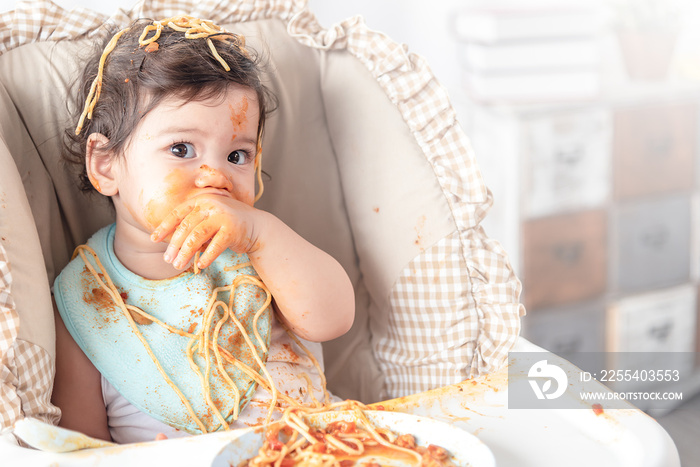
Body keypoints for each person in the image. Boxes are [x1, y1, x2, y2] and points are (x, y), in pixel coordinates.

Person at [50, 16, 355, 444]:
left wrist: (260, 234)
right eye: (181, 149)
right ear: (105, 165)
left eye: (237, 154)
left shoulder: (261, 250)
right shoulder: (84, 299)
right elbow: (80, 446)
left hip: (319, 446)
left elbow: (333, 320)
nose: (216, 175)